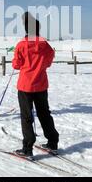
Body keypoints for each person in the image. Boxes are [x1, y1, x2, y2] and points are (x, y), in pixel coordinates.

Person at [11, 12, 59, 158]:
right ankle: (52, 142)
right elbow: (49, 62)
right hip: (41, 84)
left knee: (27, 117)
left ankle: (27, 148)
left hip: (25, 85)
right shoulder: (46, 45)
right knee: (45, 114)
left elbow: (16, 64)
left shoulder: (21, 44)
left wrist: (20, 64)